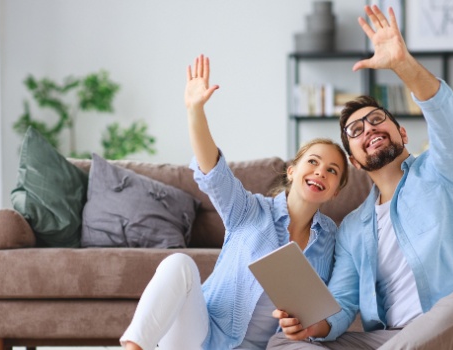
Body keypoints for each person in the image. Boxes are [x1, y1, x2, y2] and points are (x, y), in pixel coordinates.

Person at [269, 5, 453, 350]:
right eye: (356, 130)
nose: (368, 128)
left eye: (377, 119)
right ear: (355, 161)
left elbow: (448, 118)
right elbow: (342, 304)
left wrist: (402, 64)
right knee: (282, 343)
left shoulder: (444, 170)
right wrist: (311, 326)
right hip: (389, 340)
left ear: (402, 133)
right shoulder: (354, 228)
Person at [119, 54, 350, 350]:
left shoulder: (332, 240)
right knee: (179, 264)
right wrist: (195, 111)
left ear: (335, 192)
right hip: (200, 337)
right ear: (292, 171)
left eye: (332, 171)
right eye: (313, 162)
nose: (320, 172)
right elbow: (213, 171)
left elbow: (337, 304)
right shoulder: (249, 210)